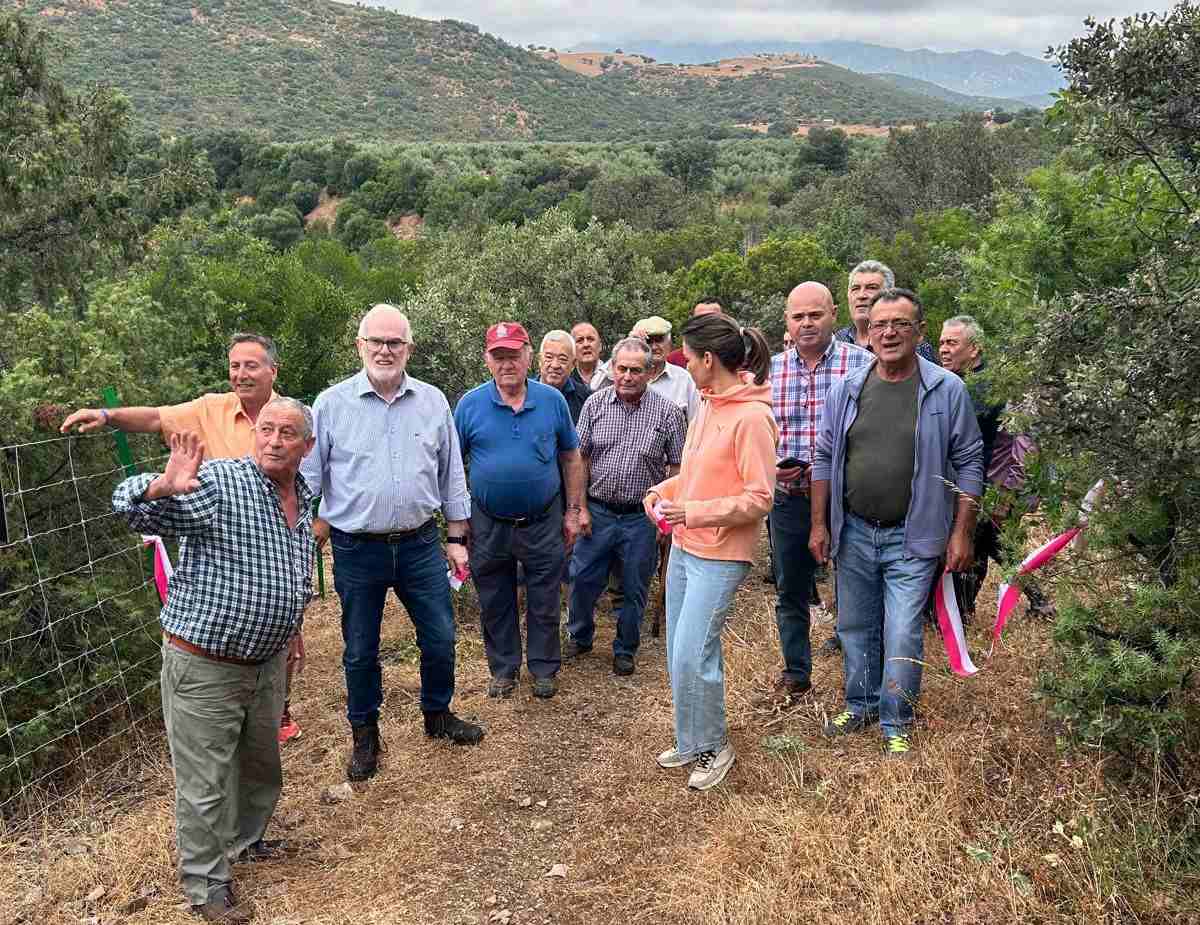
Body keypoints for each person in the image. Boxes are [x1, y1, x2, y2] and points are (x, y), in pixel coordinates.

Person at [111, 398, 315, 923]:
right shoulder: (222, 481)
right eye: (266, 429)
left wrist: (290, 624)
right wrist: (160, 486)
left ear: (306, 447)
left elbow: (293, 565)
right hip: (205, 663)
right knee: (204, 783)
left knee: (260, 768)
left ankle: (248, 841)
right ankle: (206, 887)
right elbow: (134, 506)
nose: (273, 440)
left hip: (266, 662)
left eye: (286, 433)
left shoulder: (303, 495)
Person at [61, 334, 305, 745]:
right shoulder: (208, 409)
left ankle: (274, 710)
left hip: (273, 544)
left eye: (251, 365)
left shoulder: (292, 418)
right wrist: (107, 415)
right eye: (234, 366)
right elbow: (156, 418)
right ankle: (223, 710)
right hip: (218, 542)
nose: (241, 374)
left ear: (272, 370)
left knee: (280, 629)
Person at [302, 304, 483, 784]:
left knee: (441, 637)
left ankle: (438, 714)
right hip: (357, 549)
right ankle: (365, 735)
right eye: (376, 342)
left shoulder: (432, 401)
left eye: (395, 343)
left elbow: (451, 474)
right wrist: (295, 536)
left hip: (422, 544)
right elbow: (307, 480)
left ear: (409, 349)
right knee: (361, 648)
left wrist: (457, 536)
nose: (386, 350)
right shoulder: (330, 404)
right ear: (359, 345)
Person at [810, 288, 983, 757]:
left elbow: (969, 462)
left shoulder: (947, 390)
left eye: (901, 324)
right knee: (854, 623)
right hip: (855, 531)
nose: (889, 333)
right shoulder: (847, 387)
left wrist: (962, 531)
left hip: (914, 534)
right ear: (869, 333)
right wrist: (819, 525)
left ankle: (896, 717)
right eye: (880, 324)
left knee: (903, 627)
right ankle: (860, 702)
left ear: (919, 332)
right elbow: (823, 457)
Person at [645, 313, 778, 791]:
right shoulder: (706, 405)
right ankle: (691, 737)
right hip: (686, 546)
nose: (681, 361)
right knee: (678, 652)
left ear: (708, 359)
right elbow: (696, 476)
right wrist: (663, 491)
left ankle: (714, 745)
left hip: (721, 555)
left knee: (693, 652)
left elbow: (760, 497)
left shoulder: (752, 417)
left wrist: (693, 513)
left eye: (687, 353)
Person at [455, 322, 585, 700]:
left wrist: (573, 510)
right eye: (499, 356)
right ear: (487, 360)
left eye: (514, 354)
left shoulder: (551, 401)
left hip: (543, 519)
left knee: (544, 598)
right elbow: (449, 465)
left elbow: (571, 457)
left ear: (529, 356)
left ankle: (544, 668)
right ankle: (504, 669)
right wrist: (458, 523)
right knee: (495, 599)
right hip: (487, 523)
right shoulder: (469, 405)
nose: (507, 363)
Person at [761, 283, 871, 706]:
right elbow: (760, 435)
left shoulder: (861, 365)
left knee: (857, 589)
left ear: (833, 315)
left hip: (848, 499)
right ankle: (796, 673)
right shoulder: (770, 371)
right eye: (798, 317)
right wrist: (770, 467)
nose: (806, 323)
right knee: (790, 589)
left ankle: (859, 683)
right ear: (787, 321)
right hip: (789, 499)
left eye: (815, 315)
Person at [565, 337, 687, 675]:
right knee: (582, 578)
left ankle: (625, 648)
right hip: (599, 512)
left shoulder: (668, 412)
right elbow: (580, 460)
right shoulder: (594, 405)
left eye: (636, 370)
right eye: (622, 369)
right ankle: (580, 635)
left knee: (634, 586)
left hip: (640, 518)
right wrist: (581, 507)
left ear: (648, 372)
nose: (628, 376)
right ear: (613, 369)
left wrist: (667, 518)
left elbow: (677, 468)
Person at [939, 315, 1052, 617]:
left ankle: (963, 612)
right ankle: (1034, 601)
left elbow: (1025, 442)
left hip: (995, 488)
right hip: (977, 487)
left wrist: (1009, 493)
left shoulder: (993, 386)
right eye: (941, 343)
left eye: (952, 342)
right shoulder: (959, 383)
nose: (944, 349)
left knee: (983, 545)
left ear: (974, 349)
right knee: (993, 546)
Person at [594, 316, 701, 423]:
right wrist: (628, 343)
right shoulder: (624, 375)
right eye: (648, 341)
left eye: (659, 340)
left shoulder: (683, 379)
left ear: (669, 343)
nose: (654, 347)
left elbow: (696, 422)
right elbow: (594, 387)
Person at [835, 260, 938, 363]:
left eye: (871, 288)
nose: (861, 295)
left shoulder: (914, 345)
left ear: (889, 296)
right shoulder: (837, 340)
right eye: (855, 288)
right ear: (848, 296)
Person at [535, 330, 591, 424]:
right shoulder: (524, 393)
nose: (555, 365)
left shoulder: (585, 399)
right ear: (540, 360)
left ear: (573, 364)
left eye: (562, 359)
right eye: (549, 357)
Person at [666, 299, 722, 367]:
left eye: (712, 318)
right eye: (700, 318)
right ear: (692, 322)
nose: (706, 323)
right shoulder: (674, 360)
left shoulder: (735, 356)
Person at [571, 322, 604, 390]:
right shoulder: (566, 380)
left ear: (600, 346)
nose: (586, 345)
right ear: (572, 349)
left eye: (590, 339)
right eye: (580, 340)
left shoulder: (612, 376)